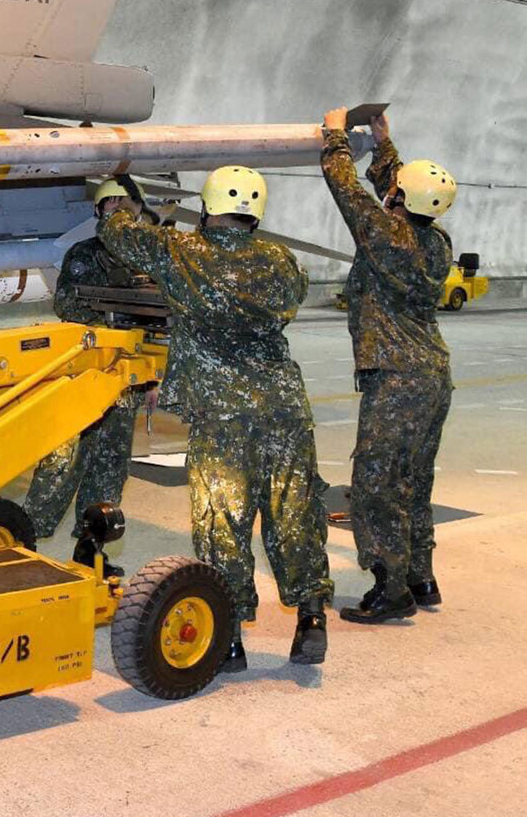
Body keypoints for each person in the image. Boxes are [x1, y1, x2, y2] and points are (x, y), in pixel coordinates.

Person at [99, 169, 332, 669]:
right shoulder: (282, 260)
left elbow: (120, 235)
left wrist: (120, 208)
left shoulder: (182, 251)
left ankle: (229, 638)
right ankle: (312, 616)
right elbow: (293, 294)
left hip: (222, 414)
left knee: (221, 520)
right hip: (284, 409)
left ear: (206, 207)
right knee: (294, 512)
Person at [320, 109, 456, 623]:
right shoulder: (436, 242)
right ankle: (420, 576)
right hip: (432, 374)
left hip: (396, 376)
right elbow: (400, 196)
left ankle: (389, 588)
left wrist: (336, 137)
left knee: (377, 485)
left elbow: (347, 190)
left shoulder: (385, 235)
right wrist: (384, 145)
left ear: (399, 198)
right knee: (414, 478)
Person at [22, 179, 154, 565]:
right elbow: (67, 304)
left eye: (125, 204)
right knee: (60, 462)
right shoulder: (84, 254)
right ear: (98, 212)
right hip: (84, 371)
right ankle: (27, 541)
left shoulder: (149, 259)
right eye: (110, 204)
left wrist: (153, 378)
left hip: (126, 378)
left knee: (110, 467)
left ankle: (91, 549)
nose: (119, 210)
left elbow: (157, 323)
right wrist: (112, 317)